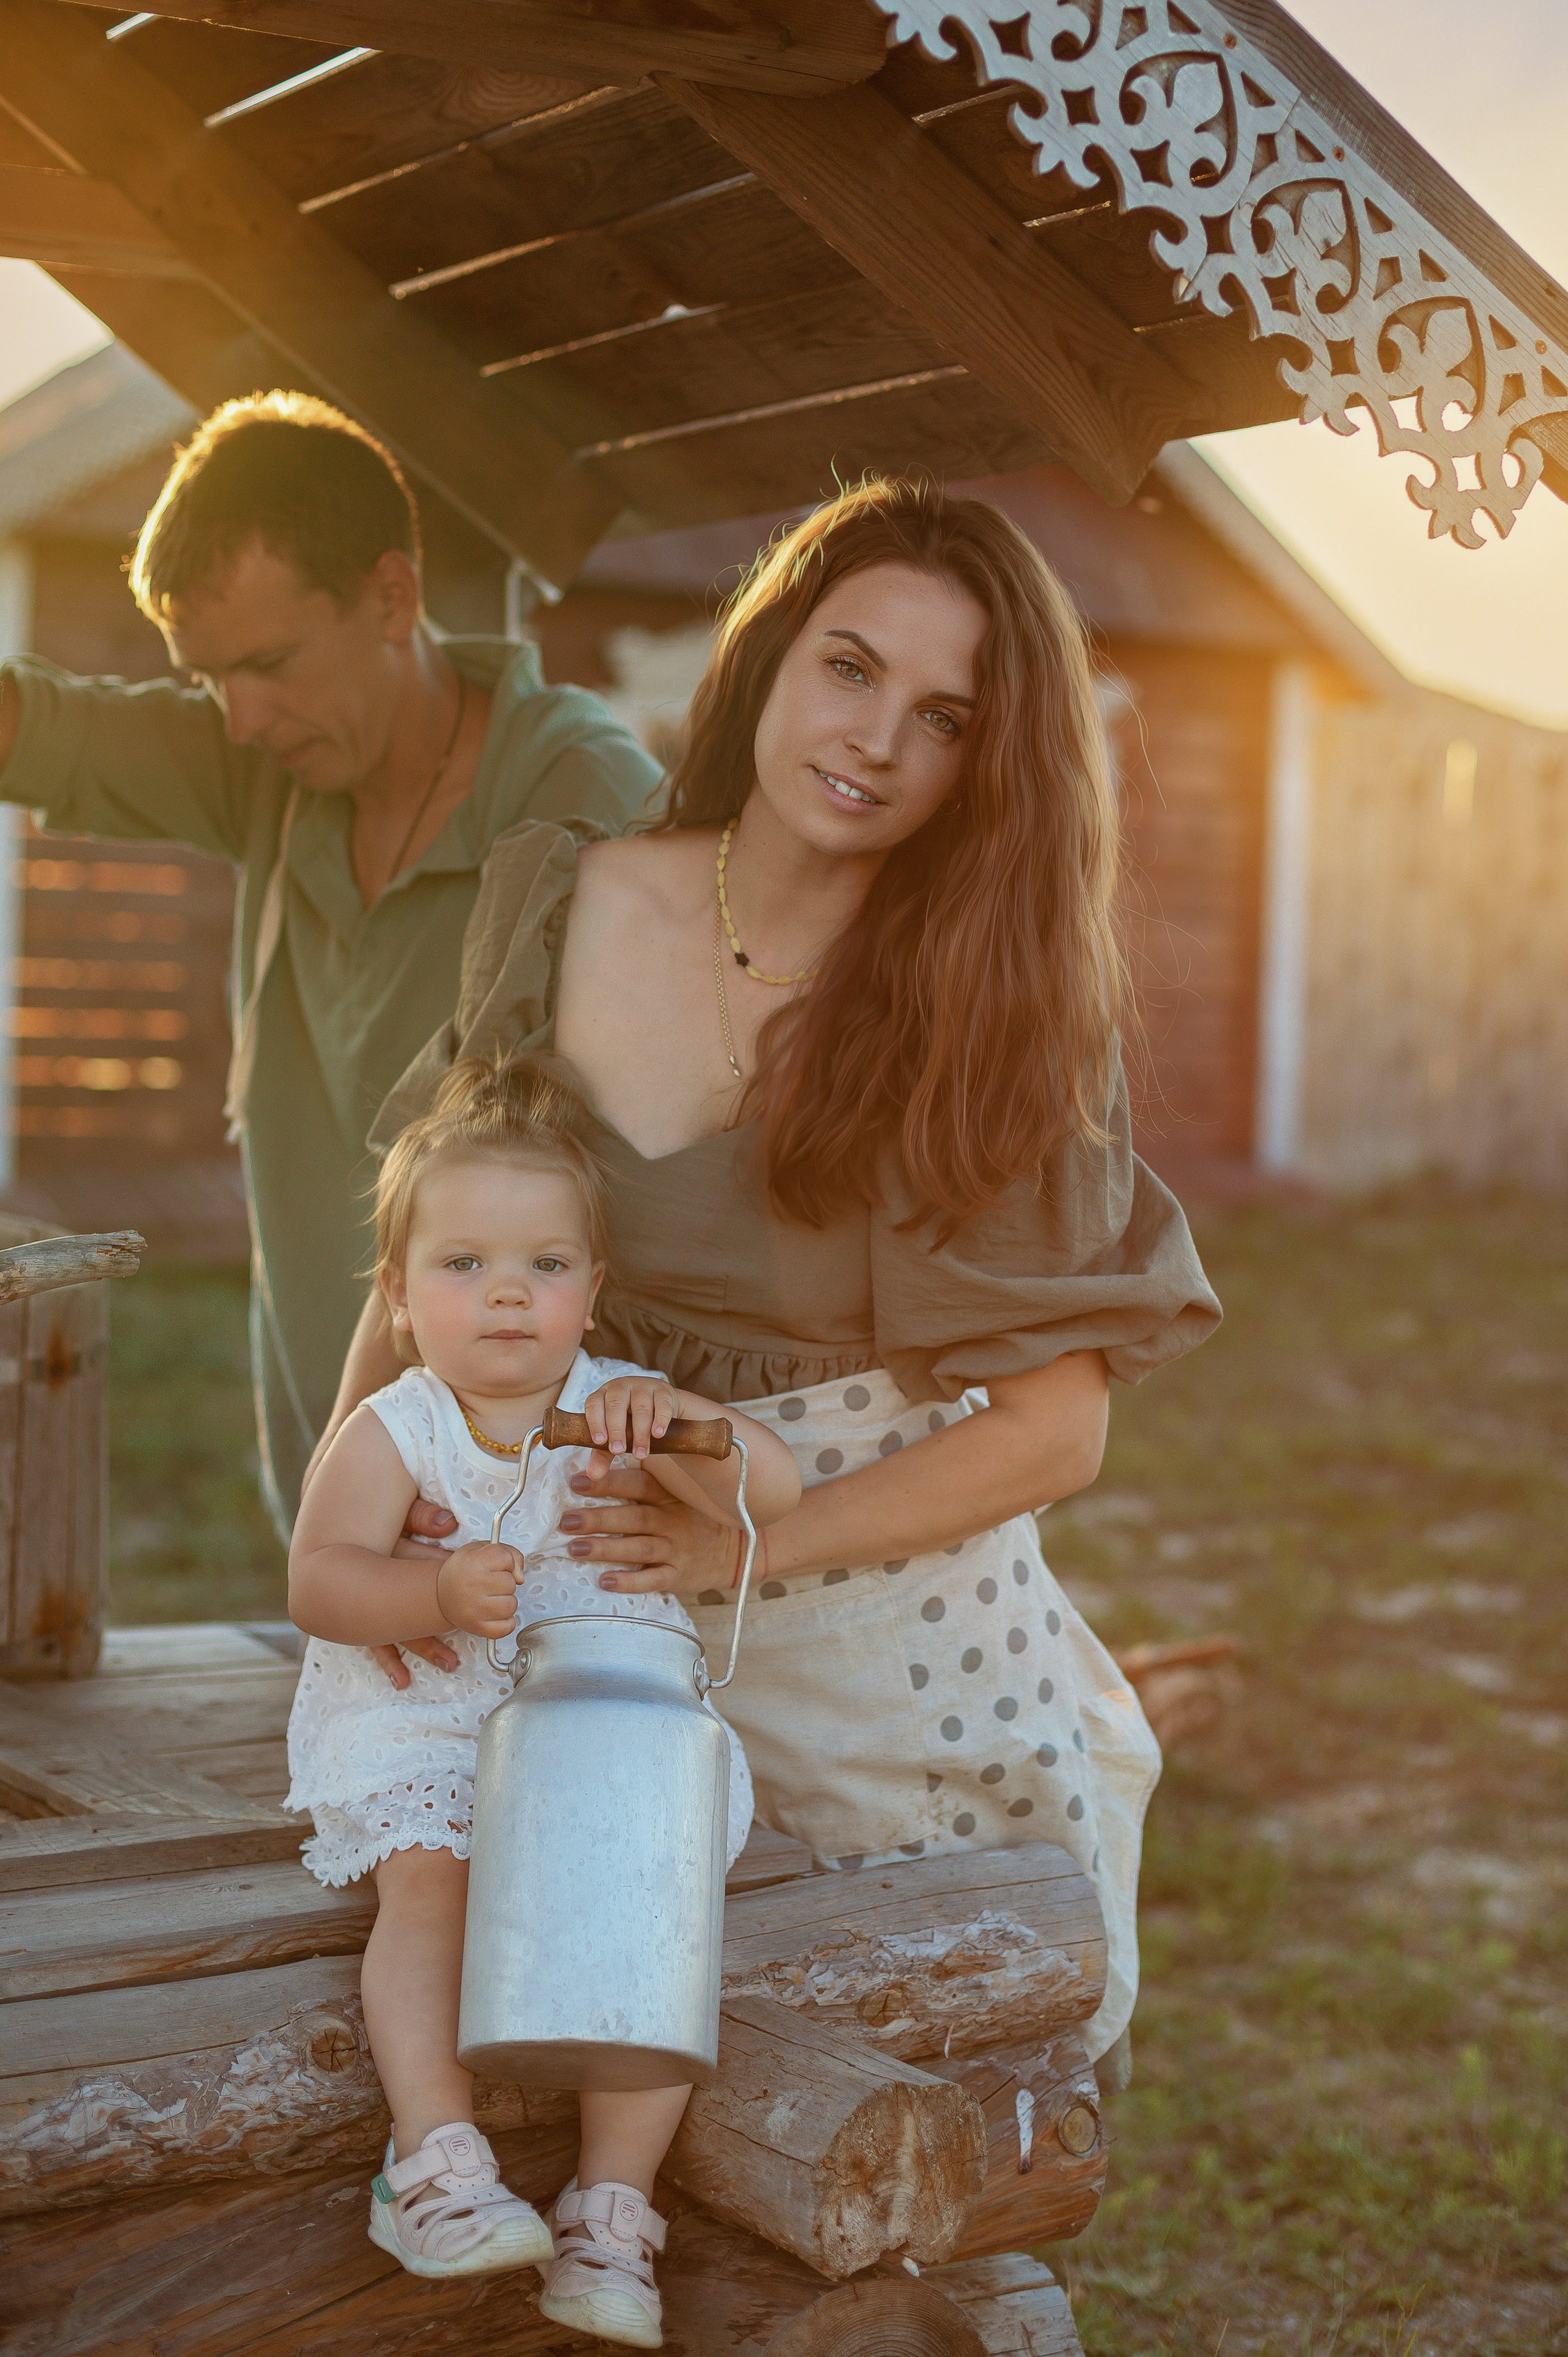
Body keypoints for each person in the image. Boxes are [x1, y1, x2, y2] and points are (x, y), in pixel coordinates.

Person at [320, 476, 1223, 2069]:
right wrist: (360, 1521)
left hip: (875, 1638)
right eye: (849, 668)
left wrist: (739, 1544)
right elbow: (429, 1260)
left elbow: (1051, 1432)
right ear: (773, 655)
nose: (875, 741)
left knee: (892, 2122)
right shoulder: (562, 897)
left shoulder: (987, 1009)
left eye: (944, 719)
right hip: (573, 1591)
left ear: (985, 768)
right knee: (550, 2059)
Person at [0, 391, 658, 1526]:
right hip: (325, 1495)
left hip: (538, 1513)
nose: (240, 717)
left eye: (267, 662)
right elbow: (47, 728)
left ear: (390, 596)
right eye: (209, 678)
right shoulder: (270, 766)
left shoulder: (581, 794)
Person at [287, 1054, 799, 2347]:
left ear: (592, 1292)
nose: (506, 1291)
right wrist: (431, 1595)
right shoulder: (396, 1427)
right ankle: (437, 2162)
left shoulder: (619, 1409)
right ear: (398, 1297)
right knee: (434, 1883)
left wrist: (686, 1424)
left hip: (606, 1724)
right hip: (437, 1713)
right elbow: (318, 1580)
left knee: (648, 1925)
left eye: (545, 1265)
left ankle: (610, 2212)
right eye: (462, 1265)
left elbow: (775, 1492)